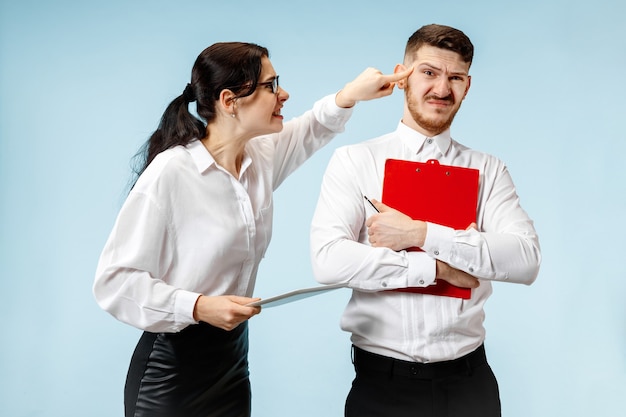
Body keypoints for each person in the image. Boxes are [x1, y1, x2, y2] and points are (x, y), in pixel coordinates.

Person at [93, 41, 412, 417]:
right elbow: (114, 281)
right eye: (271, 85)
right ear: (230, 101)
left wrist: (350, 95)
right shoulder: (172, 173)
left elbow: (311, 129)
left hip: (231, 362)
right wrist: (198, 305)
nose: (284, 94)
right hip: (172, 372)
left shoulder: (259, 156)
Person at [310, 24, 542, 417]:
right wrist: (439, 267)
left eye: (455, 78)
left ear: (467, 87)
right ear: (402, 77)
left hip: (469, 384)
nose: (442, 88)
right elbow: (329, 260)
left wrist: (421, 233)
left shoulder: (488, 170)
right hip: (381, 387)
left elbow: (525, 259)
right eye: (429, 73)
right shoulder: (355, 161)